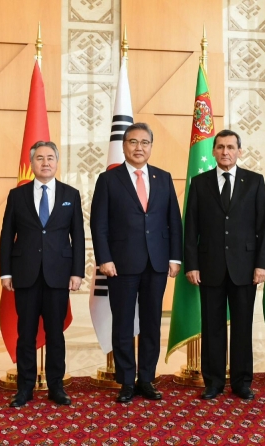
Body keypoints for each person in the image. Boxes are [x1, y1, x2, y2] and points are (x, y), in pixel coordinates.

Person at [90, 122, 182, 403]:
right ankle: (127, 381)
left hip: (156, 264)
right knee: (123, 324)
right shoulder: (109, 179)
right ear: (124, 146)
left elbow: (173, 222)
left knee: (152, 323)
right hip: (121, 265)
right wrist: (104, 259)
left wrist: (175, 257)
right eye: (133, 142)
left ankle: (147, 379)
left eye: (144, 142)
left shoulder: (163, 178)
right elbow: (99, 223)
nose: (139, 147)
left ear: (151, 147)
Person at [184, 129, 265, 400]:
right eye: (220, 147)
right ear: (213, 151)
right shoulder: (199, 183)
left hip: (245, 267)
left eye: (231, 147)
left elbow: (264, 227)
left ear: (239, 151)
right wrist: (192, 264)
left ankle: (242, 382)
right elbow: (191, 229)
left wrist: (261, 264)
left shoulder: (255, 182)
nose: (225, 152)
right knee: (212, 327)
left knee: (243, 327)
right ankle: (214, 382)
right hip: (209, 266)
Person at [0, 141, 84, 407]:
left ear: (57, 162)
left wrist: (77, 272)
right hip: (25, 274)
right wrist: (5, 272)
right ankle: (24, 388)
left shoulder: (71, 193)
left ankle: (56, 386)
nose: (45, 162)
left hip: (58, 275)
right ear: (32, 163)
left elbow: (78, 236)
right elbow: (6, 236)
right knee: (25, 334)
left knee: (55, 335)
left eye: (50, 158)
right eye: (39, 158)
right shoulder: (17, 195)